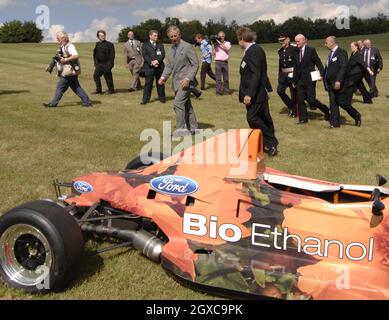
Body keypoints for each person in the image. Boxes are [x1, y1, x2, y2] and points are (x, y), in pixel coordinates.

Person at [237, 27, 278, 157]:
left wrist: (249, 94)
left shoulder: (254, 51)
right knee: (263, 117)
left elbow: (256, 74)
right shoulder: (250, 51)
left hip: (256, 92)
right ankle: (262, 143)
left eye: (238, 39)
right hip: (254, 92)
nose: (238, 43)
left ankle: (271, 142)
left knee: (253, 118)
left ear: (242, 39)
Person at [158, 26, 199, 138]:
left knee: (177, 104)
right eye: (171, 37)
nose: (173, 38)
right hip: (176, 83)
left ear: (179, 35)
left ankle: (181, 130)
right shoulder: (171, 49)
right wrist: (163, 77)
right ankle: (194, 128)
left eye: (175, 36)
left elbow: (195, 64)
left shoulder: (187, 47)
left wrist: (188, 79)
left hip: (186, 82)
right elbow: (170, 65)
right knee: (186, 105)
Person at [43, 31, 91, 108]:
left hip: (68, 72)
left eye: (58, 38)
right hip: (71, 72)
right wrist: (50, 66)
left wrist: (65, 60)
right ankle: (87, 102)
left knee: (60, 87)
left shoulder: (70, 46)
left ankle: (53, 103)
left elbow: (75, 56)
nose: (57, 39)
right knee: (77, 88)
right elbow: (56, 58)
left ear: (63, 38)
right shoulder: (62, 47)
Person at [293, 34, 330, 124]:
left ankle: (325, 109)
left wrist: (322, 74)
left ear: (303, 40)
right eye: (295, 41)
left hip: (310, 79)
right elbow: (295, 67)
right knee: (301, 99)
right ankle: (303, 119)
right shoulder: (296, 51)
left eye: (298, 41)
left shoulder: (311, 50)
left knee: (311, 100)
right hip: (299, 80)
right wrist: (294, 80)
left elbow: (318, 62)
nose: (296, 43)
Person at [337, 41, 375, 127]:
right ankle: (367, 100)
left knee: (346, 98)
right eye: (350, 46)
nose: (351, 47)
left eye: (352, 46)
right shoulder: (353, 54)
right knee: (361, 89)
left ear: (356, 47)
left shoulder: (358, 55)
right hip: (351, 77)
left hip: (354, 78)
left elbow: (364, 63)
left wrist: (369, 70)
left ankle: (355, 112)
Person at [323, 36, 357, 129]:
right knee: (333, 103)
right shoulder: (331, 54)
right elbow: (328, 68)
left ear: (331, 42)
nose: (325, 45)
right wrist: (323, 75)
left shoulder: (341, 52)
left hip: (339, 83)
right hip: (330, 83)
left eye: (326, 43)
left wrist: (338, 80)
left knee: (342, 102)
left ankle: (356, 115)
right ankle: (335, 123)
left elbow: (343, 67)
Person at [141, 30, 166, 105]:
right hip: (149, 67)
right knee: (148, 84)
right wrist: (151, 63)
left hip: (159, 67)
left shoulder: (160, 44)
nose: (156, 37)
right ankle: (145, 99)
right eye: (155, 35)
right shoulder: (145, 45)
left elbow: (163, 54)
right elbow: (145, 55)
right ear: (150, 36)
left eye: (157, 35)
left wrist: (157, 61)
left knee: (160, 83)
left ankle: (162, 99)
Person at [277, 34, 299, 118]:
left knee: (294, 94)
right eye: (280, 40)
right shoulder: (280, 51)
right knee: (280, 91)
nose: (281, 42)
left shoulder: (294, 49)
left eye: (283, 40)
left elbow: (297, 62)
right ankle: (291, 107)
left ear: (288, 40)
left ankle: (294, 111)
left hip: (293, 74)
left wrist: (295, 75)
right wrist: (279, 76)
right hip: (283, 75)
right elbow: (280, 65)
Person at [93, 30, 115, 95]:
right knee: (95, 76)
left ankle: (111, 90)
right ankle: (99, 90)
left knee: (108, 78)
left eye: (104, 35)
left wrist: (109, 64)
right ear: (98, 37)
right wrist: (96, 63)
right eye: (101, 36)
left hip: (107, 64)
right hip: (99, 64)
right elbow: (95, 54)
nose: (103, 37)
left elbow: (112, 55)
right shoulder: (97, 44)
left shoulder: (110, 44)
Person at [213, 31, 232, 95]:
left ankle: (226, 91)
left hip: (225, 62)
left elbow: (227, 48)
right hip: (218, 62)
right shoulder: (216, 43)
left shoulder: (227, 43)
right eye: (219, 36)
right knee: (218, 79)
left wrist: (220, 43)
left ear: (224, 36)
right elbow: (213, 53)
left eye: (222, 36)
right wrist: (214, 45)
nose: (221, 37)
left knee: (226, 78)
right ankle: (218, 92)